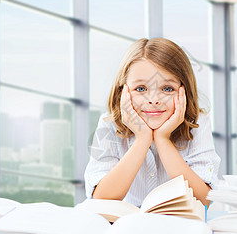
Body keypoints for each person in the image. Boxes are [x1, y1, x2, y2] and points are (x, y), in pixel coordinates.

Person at [84, 37, 220, 207]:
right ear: (123, 92)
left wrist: (162, 139)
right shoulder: (109, 124)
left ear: (184, 91)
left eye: (167, 89)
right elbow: (101, 198)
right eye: (141, 89)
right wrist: (142, 139)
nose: (154, 99)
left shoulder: (197, 123)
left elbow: (204, 199)